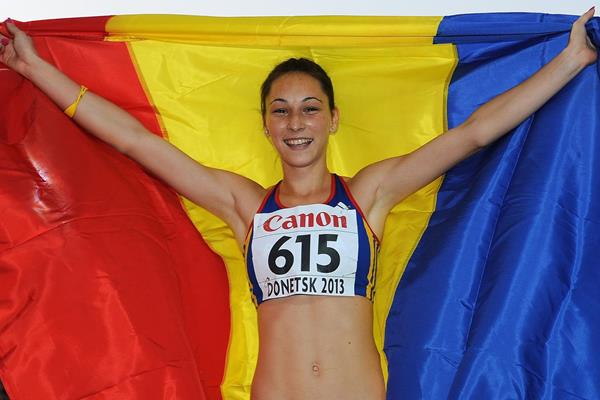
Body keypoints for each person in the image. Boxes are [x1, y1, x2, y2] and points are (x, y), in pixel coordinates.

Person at [0, 9, 597, 400]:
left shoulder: (369, 194)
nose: (296, 121)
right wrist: (35, 67)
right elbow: (133, 140)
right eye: (281, 110)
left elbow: (471, 134)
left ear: (333, 120)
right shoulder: (242, 206)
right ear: (265, 125)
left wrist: (571, 61)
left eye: (309, 107)